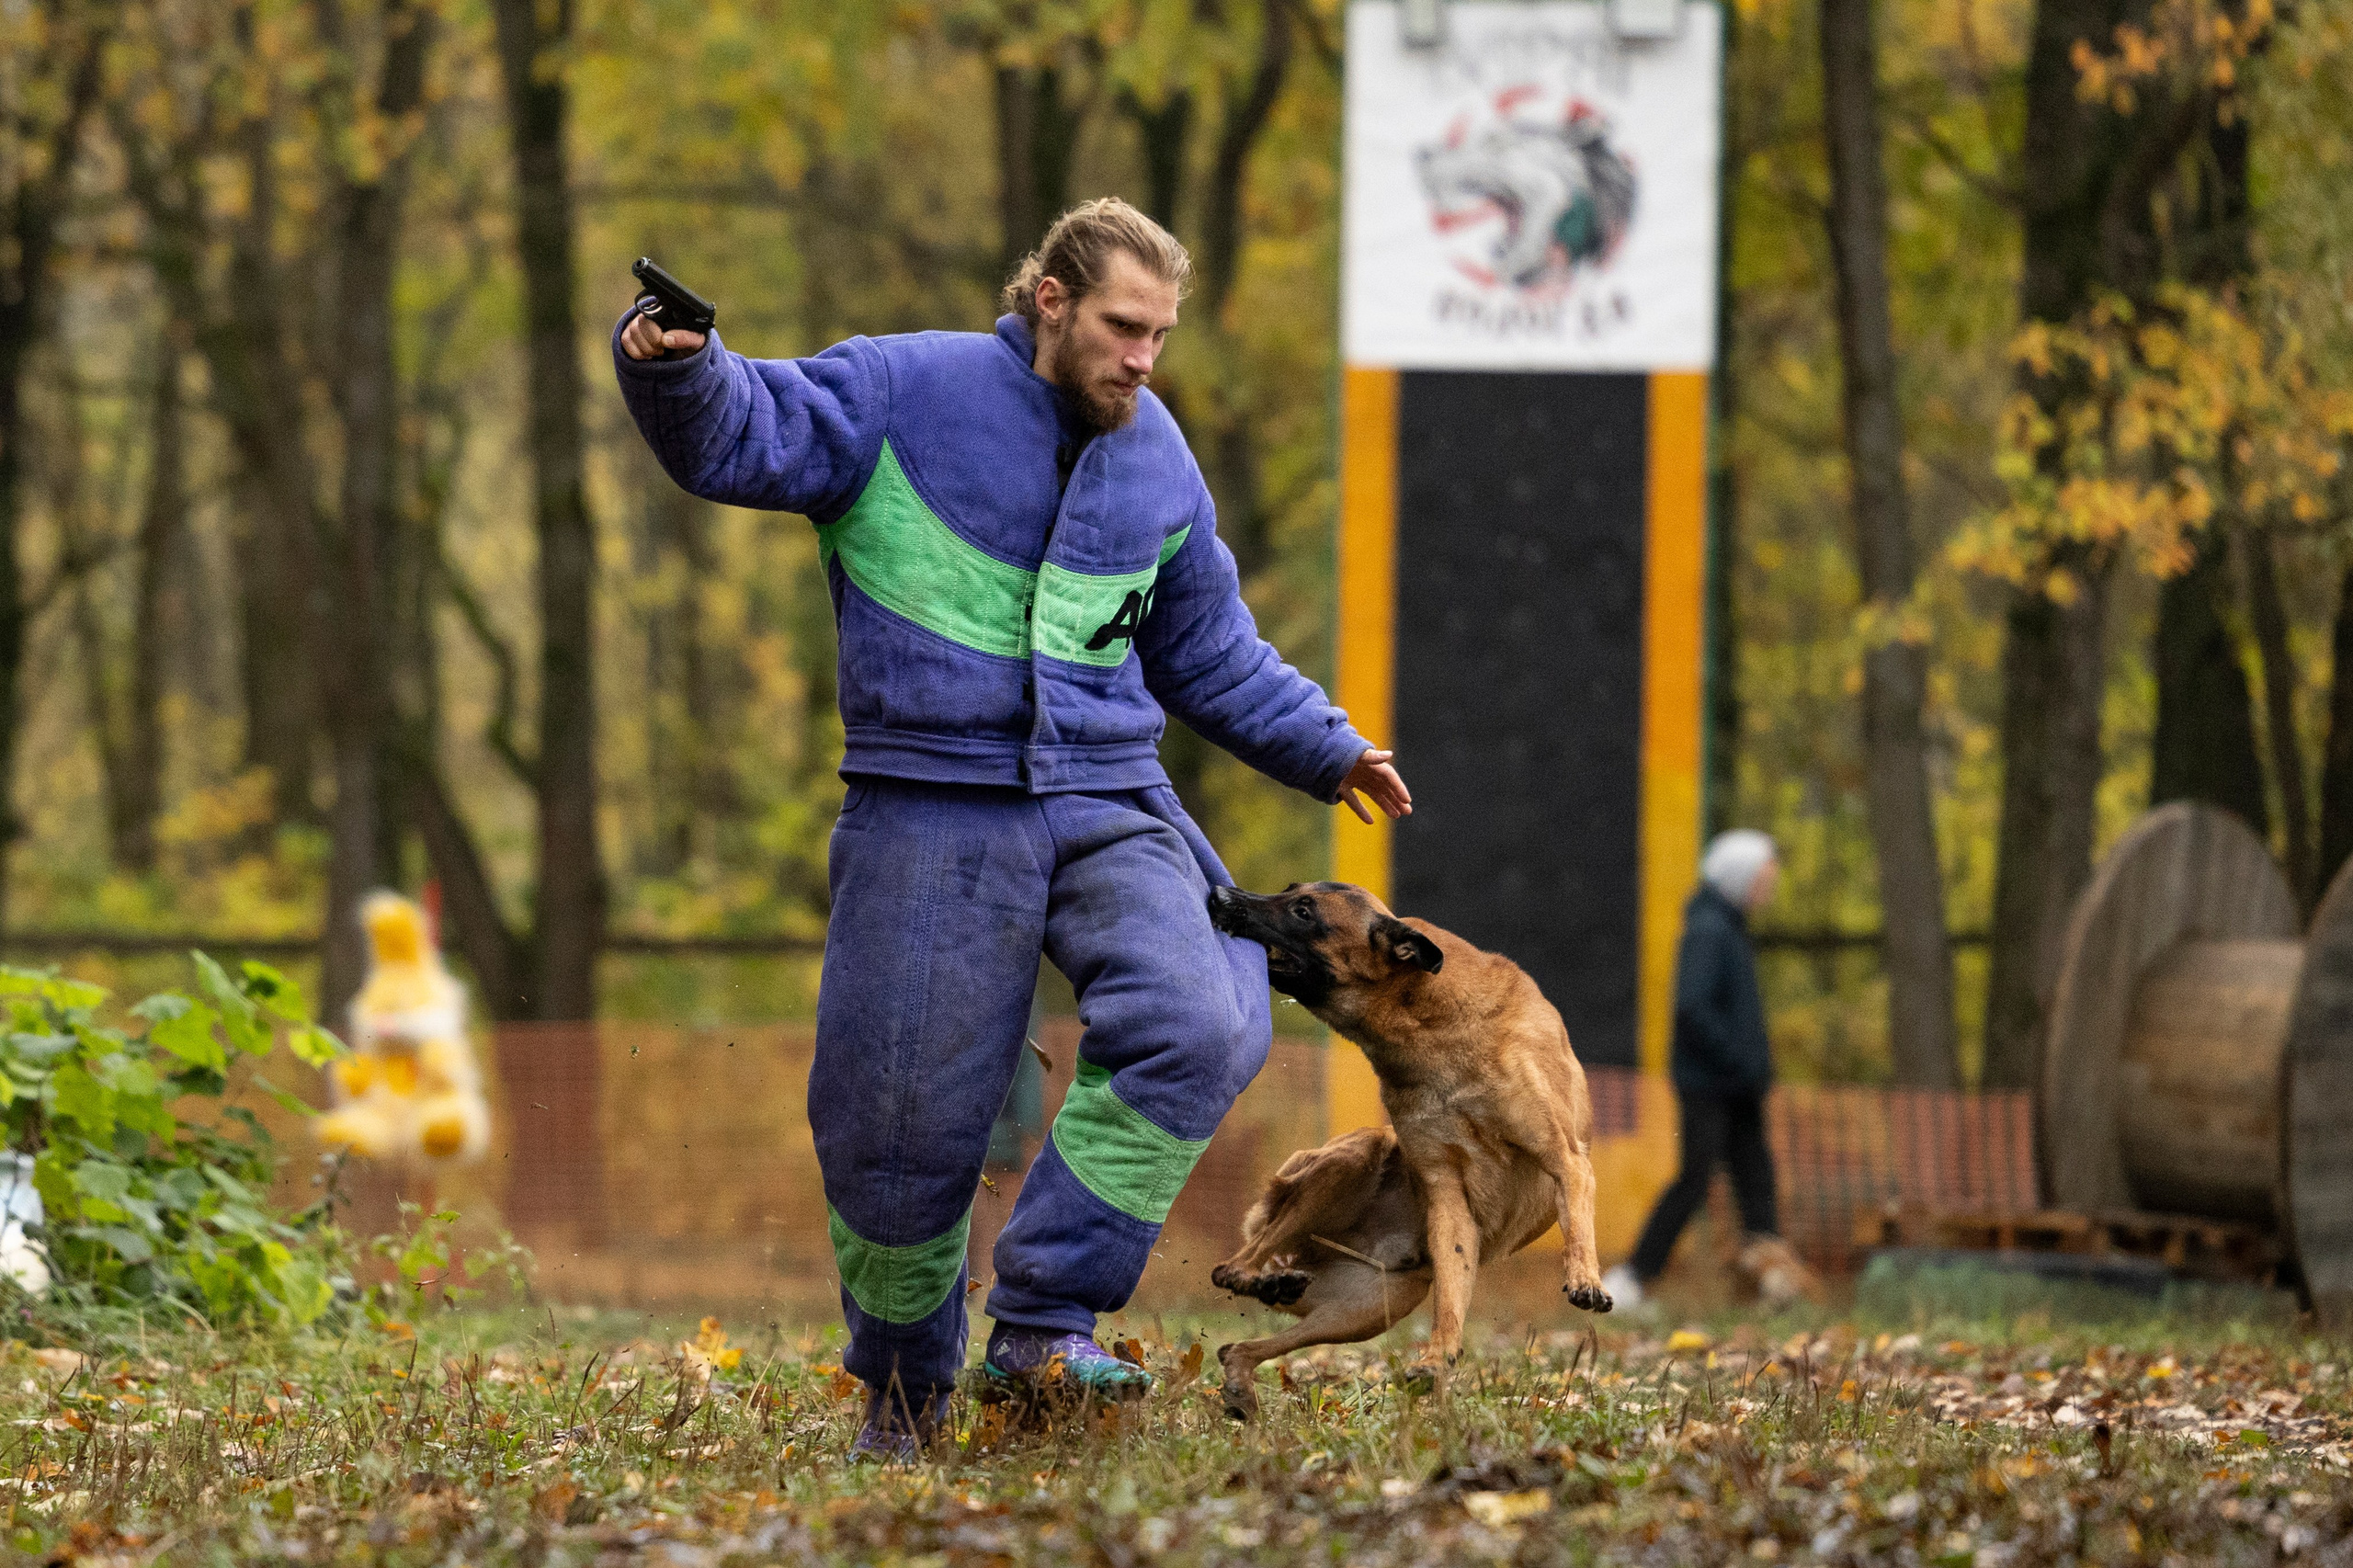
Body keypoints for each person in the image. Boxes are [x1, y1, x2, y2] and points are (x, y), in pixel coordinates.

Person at [615, 198, 1411, 1460]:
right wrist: (679, 368)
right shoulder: (901, 390)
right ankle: (904, 1390)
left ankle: (1045, 1319)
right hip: (931, 795)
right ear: (1051, 300)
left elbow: (1206, 648)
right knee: (895, 1127)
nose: (1144, 359)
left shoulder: (1158, 457)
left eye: (1160, 335)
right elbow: (751, 431)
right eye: (1122, 327)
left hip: (1107, 791)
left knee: (1205, 1013)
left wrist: (1327, 743)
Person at [1604, 829, 1781, 1310]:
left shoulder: (1730, 928)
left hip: (1738, 1086)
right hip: (1710, 1085)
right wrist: (1741, 1059)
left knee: (1756, 1179)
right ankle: (1632, 1280)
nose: (1772, 886)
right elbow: (1693, 1009)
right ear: (1742, 878)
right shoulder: (1710, 932)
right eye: (1766, 877)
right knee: (1695, 1179)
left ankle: (1771, 1284)